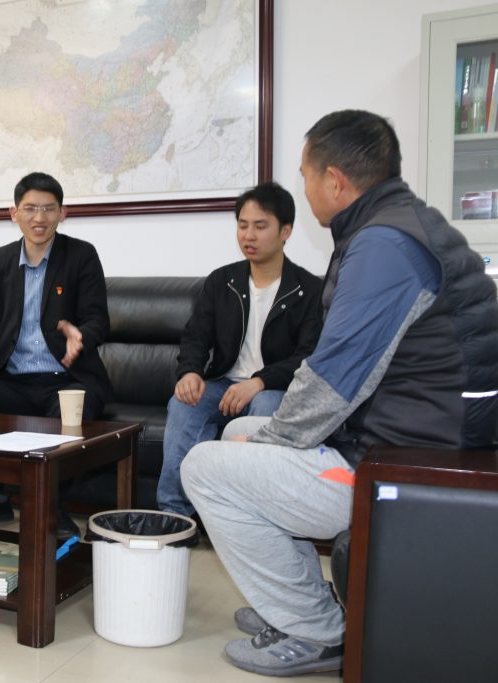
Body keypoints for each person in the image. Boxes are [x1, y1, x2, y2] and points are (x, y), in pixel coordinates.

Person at [181, 110, 498, 677]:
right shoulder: (397, 223)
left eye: (305, 175)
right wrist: (268, 437)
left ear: (334, 180)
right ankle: (301, 601)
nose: (304, 189)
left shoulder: (384, 246)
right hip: (406, 435)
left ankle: (318, 631)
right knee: (237, 431)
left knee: (204, 466)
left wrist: (273, 442)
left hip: (407, 461)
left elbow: (331, 381)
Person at [0, 171, 114, 536]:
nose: (39, 218)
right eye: (30, 208)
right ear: (14, 213)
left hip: (68, 379)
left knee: (70, 414)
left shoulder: (81, 256)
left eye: (48, 209)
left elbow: (98, 320)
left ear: (63, 213)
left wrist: (81, 336)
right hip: (13, 381)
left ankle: (50, 510)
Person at [159, 181, 322, 517]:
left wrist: (260, 381)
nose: (249, 235)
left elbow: (308, 356)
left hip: (273, 388)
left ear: (285, 231)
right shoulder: (222, 282)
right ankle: (175, 516)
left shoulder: (308, 289)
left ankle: (246, 514)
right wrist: (190, 371)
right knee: (183, 403)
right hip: (223, 385)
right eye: (243, 225)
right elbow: (195, 336)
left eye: (260, 226)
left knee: (265, 405)